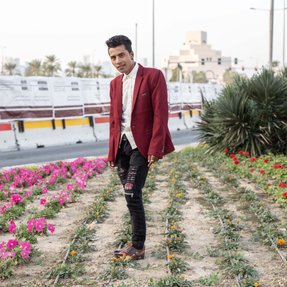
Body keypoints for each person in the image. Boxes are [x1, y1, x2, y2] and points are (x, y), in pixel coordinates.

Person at [106, 35, 174, 260]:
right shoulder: (115, 84)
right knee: (130, 195)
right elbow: (114, 120)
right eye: (113, 57)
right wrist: (111, 152)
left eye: (121, 55)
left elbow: (160, 115)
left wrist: (156, 148)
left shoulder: (153, 76)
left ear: (132, 54)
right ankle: (136, 244)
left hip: (142, 146)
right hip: (122, 146)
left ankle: (138, 246)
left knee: (132, 191)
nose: (118, 61)